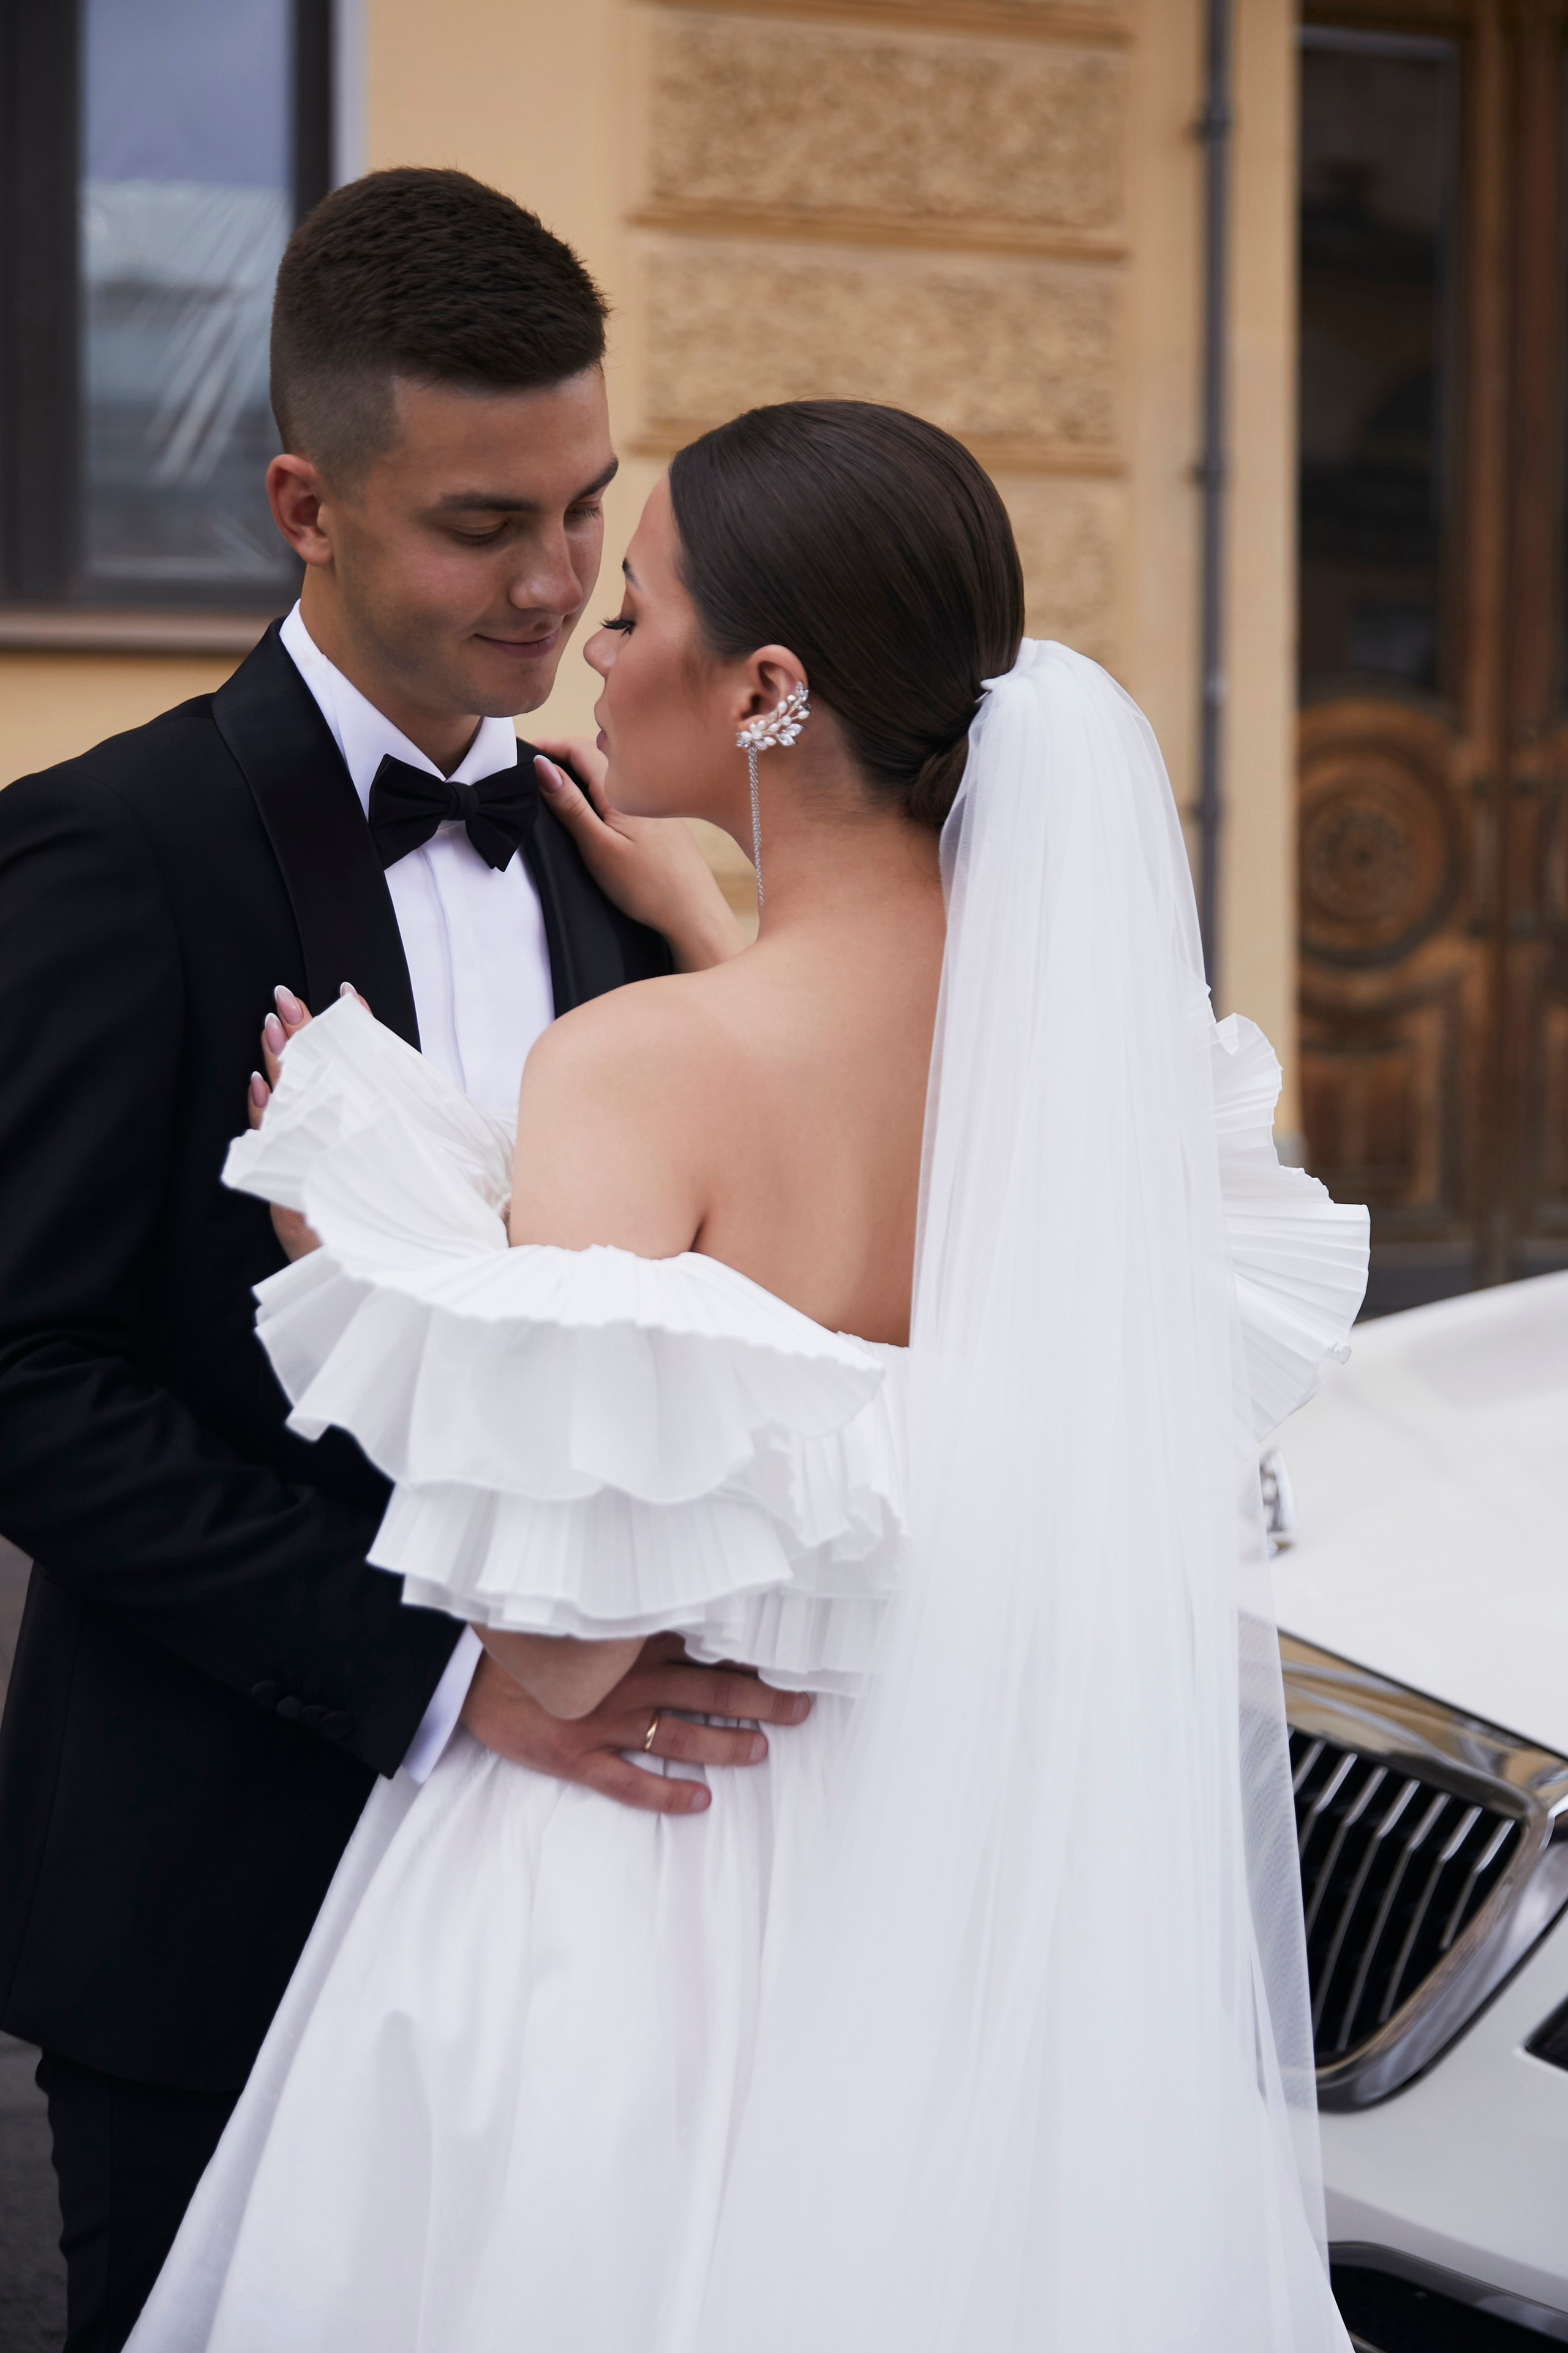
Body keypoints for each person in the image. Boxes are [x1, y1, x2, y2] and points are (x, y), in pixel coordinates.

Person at [130, 399, 1369, 2351]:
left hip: (658, 1892)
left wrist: (356, 1246)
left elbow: (558, 1630)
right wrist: (715, 911)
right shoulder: (1110, 1073)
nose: (593, 640)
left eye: (637, 604)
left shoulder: (634, 1077)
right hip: (971, 1914)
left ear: (770, 688)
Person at [0, 168, 805, 2353]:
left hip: (579, 1925)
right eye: (483, 524)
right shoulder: (106, 851)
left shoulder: (610, 856)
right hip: (218, 1879)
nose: (557, 581)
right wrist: (444, 1673)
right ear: (307, 505)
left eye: (590, 507)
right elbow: (30, 1378)